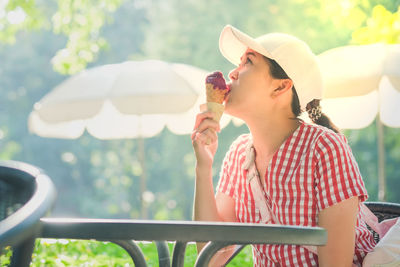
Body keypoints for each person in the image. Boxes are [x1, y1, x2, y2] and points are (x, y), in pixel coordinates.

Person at [191, 25, 375, 267]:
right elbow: (214, 256)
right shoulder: (238, 154)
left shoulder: (324, 148)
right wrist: (203, 168)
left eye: (248, 62)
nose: (232, 73)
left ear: (281, 86)